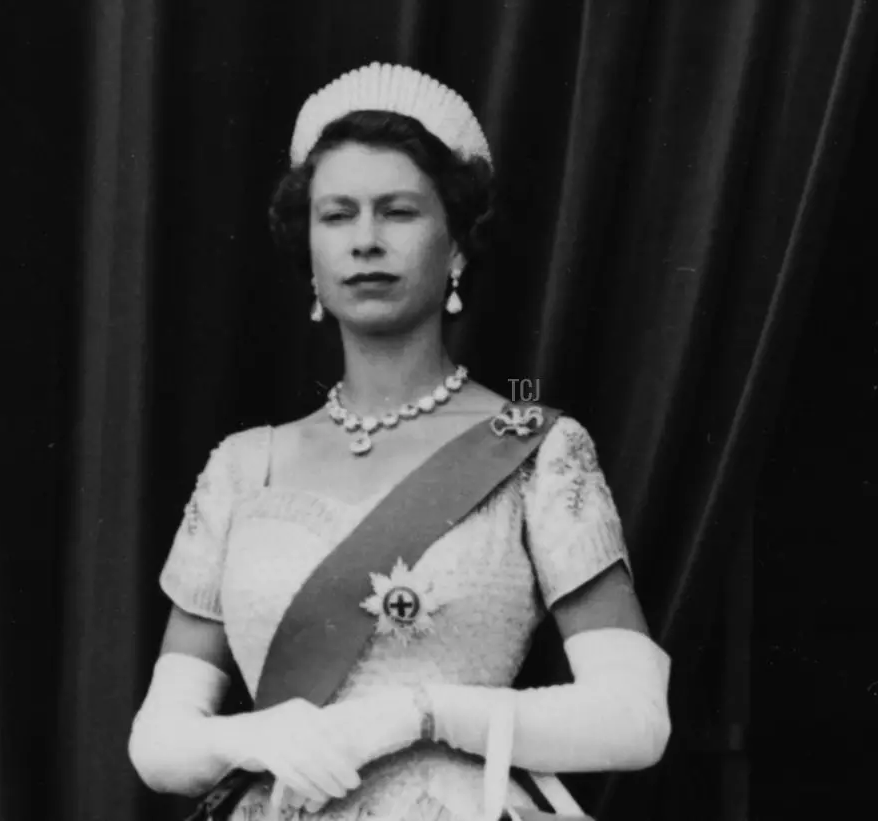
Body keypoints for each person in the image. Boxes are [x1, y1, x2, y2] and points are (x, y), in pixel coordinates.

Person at [128, 63, 671, 821]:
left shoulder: (537, 445)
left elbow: (636, 718)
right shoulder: (243, 466)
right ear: (309, 253)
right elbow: (158, 742)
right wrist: (255, 735)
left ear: (455, 245)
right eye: (337, 215)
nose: (366, 241)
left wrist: (421, 712)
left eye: (399, 211)